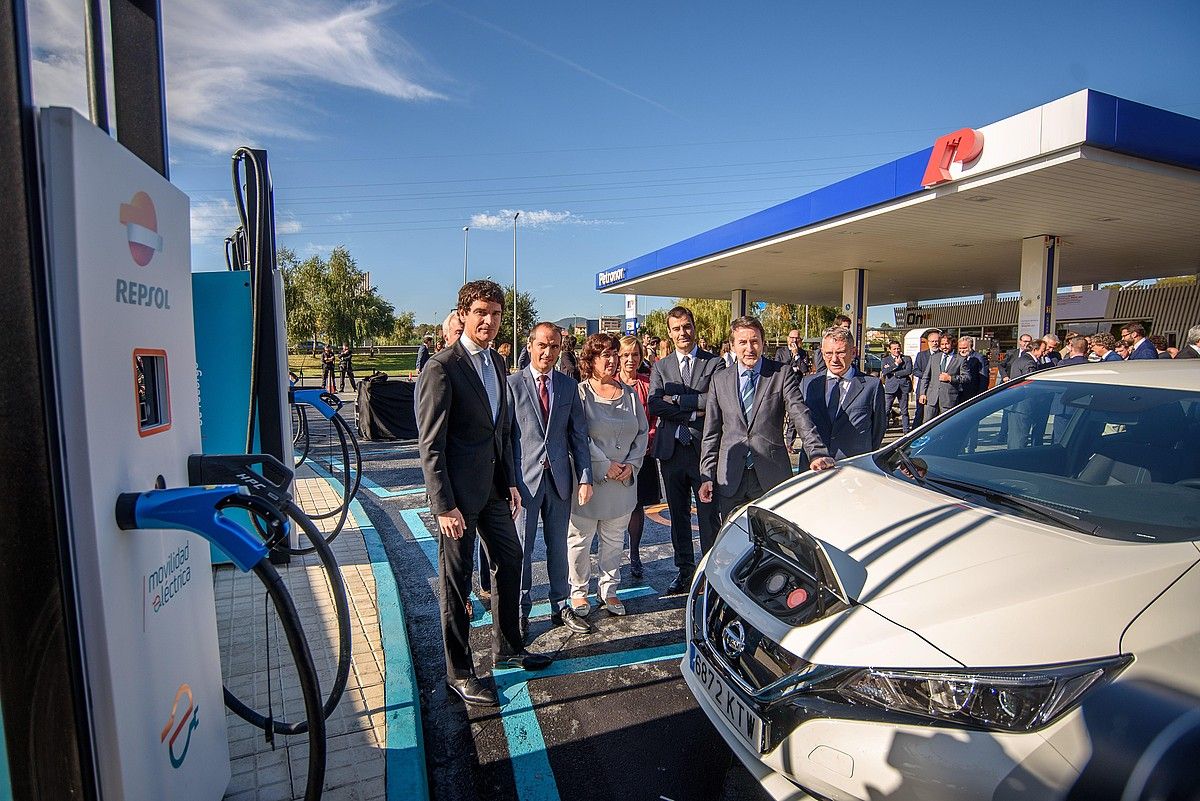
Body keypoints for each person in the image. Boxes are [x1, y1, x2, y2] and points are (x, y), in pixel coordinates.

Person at [416, 280, 551, 708]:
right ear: (462, 316)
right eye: (481, 313)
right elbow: (431, 445)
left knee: (510, 559)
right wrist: (443, 506)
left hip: (493, 491)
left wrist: (510, 481)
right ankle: (458, 670)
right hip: (456, 499)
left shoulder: (496, 363)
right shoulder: (441, 367)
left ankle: (508, 645)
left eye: (495, 313)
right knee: (455, 583)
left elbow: (503, 431)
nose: (489, 321)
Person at [508, 322, 593, 639]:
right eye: (542, 345)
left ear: (561, 349)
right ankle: (520, 611)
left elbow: (578, 436)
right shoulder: (512, 385)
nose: (548, 352)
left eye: (554, 346)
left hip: (559, 480)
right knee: (522, 549)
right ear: (530, 346)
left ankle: (560, 606)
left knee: (558, 547)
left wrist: (585, 476)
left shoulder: (569, 386)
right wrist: (508, 481)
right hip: (524, 483)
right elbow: (505, 438)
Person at [699, 318, 832, 518]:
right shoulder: (720, 380)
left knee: (776, 542)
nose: (749, 348)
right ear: (733, 345)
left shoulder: (781, 374)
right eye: (742, 342)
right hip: (730, 478)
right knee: (733, 541)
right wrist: (707, 474)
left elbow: (799, 413)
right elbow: (711, 432)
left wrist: (816, 452)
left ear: (763, 343)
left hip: (771, 475)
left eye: (754, 341)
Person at [568, 333, 648, 619]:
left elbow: (641, 432)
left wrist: (632, 463)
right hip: (591, 483)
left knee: (614, 540)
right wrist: (603, 464)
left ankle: (609, 590)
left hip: (623, 483)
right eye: (606, 355)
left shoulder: (629, 393)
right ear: (591, 360)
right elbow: (576, 436)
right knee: (580, 539)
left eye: (615, 354)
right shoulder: (579, 393)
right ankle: (578, 592)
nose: (613, 360)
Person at [648, 305, 724, 595]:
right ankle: (684, 571)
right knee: (678, 515)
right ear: (669, 332)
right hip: (670, 452)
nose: (683, 332)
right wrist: (693, 412)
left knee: (707, 515)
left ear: (694, 328)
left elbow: (714, 400)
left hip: (703, 451)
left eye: (687, 326)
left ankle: (709, 572)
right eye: (677, 328)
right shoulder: (660, 366)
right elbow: (655, 405)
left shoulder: (713, 364)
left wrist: (677, 401)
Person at [800, 328, 888, 459]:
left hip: (854, 467)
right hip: (814, 464)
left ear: (853, 352)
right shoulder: (808, 384)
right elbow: (802, 423)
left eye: (840, 353)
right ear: (822, 354)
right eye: (829, 353)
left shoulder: (872, 386)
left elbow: (878, 430)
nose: (834, 359)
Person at [617, 336, 659, 580]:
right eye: (625, 355)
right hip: (613, 458)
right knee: (611, 511)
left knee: (636, 507)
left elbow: (654, 421)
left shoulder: (647, 383)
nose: (630, 359)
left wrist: (644, 444)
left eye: (634, 354)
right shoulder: (609, 383)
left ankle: (634, 554)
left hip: (642, 456)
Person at [917, 334, 970, 419]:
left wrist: (950, 378)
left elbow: (967, 378)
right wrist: (922, 393)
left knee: (946, 426)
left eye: (947, 344)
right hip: (931, 399)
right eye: (942, 344)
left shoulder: (960, 359)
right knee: (927, 425)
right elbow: (926, 377)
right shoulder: (934, 357)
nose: (944, 347)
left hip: (948, 399)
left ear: (952, 344)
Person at [910, 330, 941, 428]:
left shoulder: (943, 355)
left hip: (937, 390)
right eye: (932, 341)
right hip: (923, 389)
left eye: (937, 341)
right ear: (928, 342)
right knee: (920, 413)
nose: (935, 343)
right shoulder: (921, 355)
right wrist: (927, 376)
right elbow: (915, 370)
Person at [880, 341, 913, 432]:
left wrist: (895, 373)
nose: (896, 350)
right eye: (894, 349)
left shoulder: (907, 358)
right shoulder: (886, 360)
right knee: (886, 409)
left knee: (904, 411)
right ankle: (884, 428)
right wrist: (896, 364)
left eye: (898, 348)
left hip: (903, 387)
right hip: (891, 387)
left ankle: (906, 430)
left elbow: (908, 371)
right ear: (890, 350)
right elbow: (885, 371)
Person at [956, 336, 988, 400]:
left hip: (972, 394)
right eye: (960, 348)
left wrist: (980, 396)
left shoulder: (979, 358)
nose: (962, 351)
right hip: (957, 394)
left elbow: (983, 379)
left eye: (964, 348)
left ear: (971, 346)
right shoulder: (956, 357)